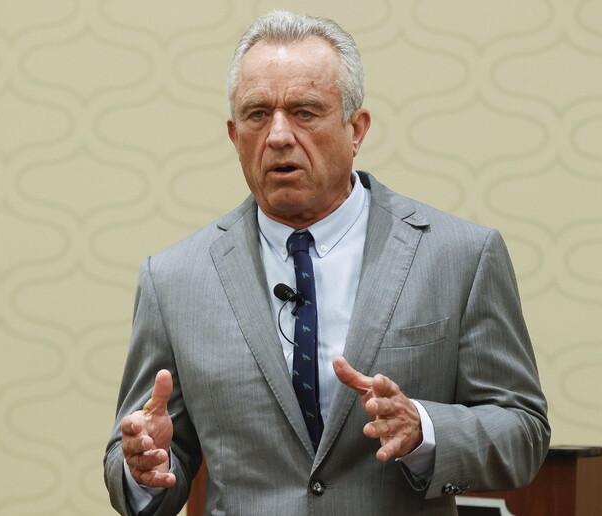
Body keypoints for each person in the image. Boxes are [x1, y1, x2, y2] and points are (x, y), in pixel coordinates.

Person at [104, 10, 549, 516]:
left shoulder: (459, 256)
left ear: (356, 129)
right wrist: (144, 468)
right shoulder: (174, 280)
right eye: (257, 114)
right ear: (234, 135)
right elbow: (140, 461)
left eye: (305, 112)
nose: (278, 135)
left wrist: (422, 428)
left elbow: (523, 432)